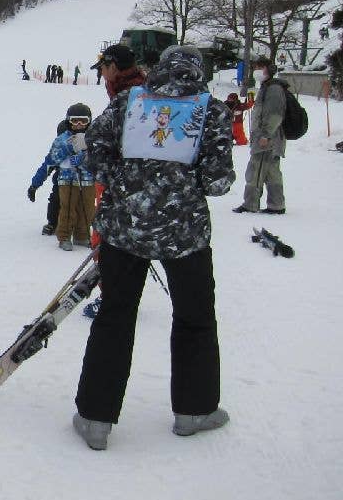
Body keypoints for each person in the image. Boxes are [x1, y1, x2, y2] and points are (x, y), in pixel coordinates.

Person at [72, 45, 234, 450]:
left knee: (115, 317)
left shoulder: (130, 101)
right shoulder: (211, 111)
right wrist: (183, 185)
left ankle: (95, 417)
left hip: (125, 228)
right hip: (185, 234)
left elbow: (95, 147)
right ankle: (194, 410)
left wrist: (125, 182)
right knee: (195, 318)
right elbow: (218, 181)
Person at [234, 56, 288, 214]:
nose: (256, 71)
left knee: (256, 170)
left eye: (259, 68)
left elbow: (275, 115)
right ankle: (276, 204)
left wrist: (265, 135)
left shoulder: (273, 89)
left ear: (268, 70)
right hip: (271, 138)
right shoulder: (269, 87)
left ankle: (250, 204)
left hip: (268, 139)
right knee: (272, 172)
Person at [48, 104, 95, 250]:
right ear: (69, 121)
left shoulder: (92, 137)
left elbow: (99, 154)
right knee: (68, 207)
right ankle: (64, 236)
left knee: (86, 208)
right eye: (75, 121)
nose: (79, 125)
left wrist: (85, 156)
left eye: (83, 121)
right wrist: (67, 149)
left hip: (87, 179)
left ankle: (82, 235)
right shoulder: (62, 139)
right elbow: (53, 157)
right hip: (67, 179)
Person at [27, 116, 71, 235]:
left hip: (80, 183)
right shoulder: (57, 152)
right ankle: (53, 222)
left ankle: (81, 226)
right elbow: (45, 168)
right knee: (55, 199)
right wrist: (34, 186)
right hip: (61, 183)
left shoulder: (83, 148)